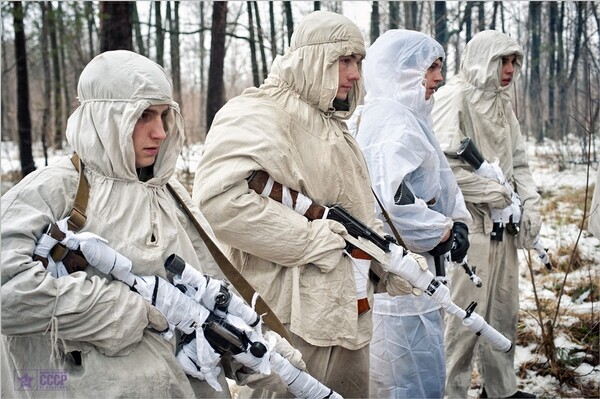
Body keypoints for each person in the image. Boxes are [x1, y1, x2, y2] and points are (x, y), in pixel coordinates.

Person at [193, 10, 421, 398]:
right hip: (288, 318)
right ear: (314, 59)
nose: (354, 74)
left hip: (349, 308)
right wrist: (309, 240)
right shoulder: (258, 113)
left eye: (359, 62)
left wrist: (386, 260)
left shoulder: (333, 126)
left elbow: (357, 212)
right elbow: (221, 201)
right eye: (344, 60)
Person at [0, 50, 234, 398]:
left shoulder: (169, 192)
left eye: (164, 115)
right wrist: (121, 310)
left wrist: (246, 348)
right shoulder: (50, 190)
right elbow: (9, 291)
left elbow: (215, 285)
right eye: (143, 116)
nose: (159, 132)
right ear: (106, 118)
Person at [348, 29, 472, 398]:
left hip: (413, 274)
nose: (439, 78)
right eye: (431, 68)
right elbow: (391, 205)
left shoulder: (405, 116)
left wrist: (458, 221)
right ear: (402, 72)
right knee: (404, 377)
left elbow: (442, 181)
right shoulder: (392, 123)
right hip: (402, 280)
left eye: (440, 67)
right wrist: (444, 231)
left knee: (415, 371)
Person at [432, 30, 541, 398]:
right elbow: (443, 169)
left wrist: (529, 203)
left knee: (503, 315)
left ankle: (501, 390)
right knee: (463, 321)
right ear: (484, 59)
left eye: (514, 62)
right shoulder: (454, 97)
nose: (510, 70)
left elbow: (520, 162)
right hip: (471, 230)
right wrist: (494, 193)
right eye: (503, 61)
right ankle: (451, 392)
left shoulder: (502, 104)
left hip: (505, 230)